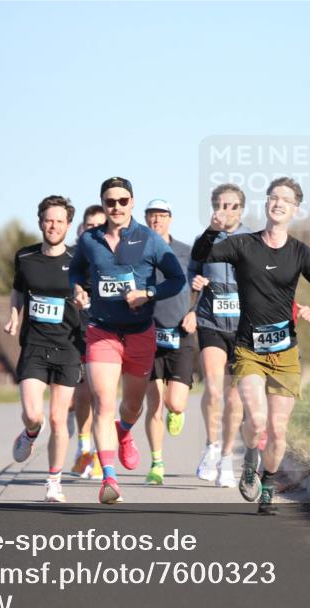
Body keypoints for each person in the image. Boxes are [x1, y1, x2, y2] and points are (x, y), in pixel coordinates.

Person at [191, 177, 310, 514]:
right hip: (249, 350)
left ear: (295, 209)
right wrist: (212, 230)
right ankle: (249, 461)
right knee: (257, 420)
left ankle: (268, 484)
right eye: (274, 197)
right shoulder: (244, 244)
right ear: (267, 204)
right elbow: (202, 255)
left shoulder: (300, 252)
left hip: (285, 354)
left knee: (277, 430)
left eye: (285, 200)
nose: (278, 203)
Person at [69, 177, 186, 504]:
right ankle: (109, 478)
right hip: (102, 331)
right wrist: (77, 289)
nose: (116, 207)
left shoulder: (149, 239)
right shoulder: (90, 240)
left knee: (132, 406)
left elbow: (177, 279)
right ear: (103, 203)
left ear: (132, 202)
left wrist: (148, 293)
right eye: (110, 201)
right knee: (103, 402)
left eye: (123, 201)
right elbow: (75, 271)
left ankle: (123, 431)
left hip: (139, 333)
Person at [6, 195, 83, 503]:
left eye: (59, 221)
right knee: (33, 414)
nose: (53, 226)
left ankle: (54, 481)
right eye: (49, 220)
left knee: (57, 419)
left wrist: (85, 300)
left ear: (68, 225)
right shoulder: (25, 257)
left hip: (68, 347)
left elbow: (89, 295)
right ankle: (30, 433)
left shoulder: (79, 260)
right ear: (40, 222)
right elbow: (17, 291)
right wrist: (15, 315)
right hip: (34, 345)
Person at [189, 184, 253, 487]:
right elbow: (191, 271)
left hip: (244, 327)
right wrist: (195, 281)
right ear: (213, 208)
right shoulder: (205, 240)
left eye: (233, 206)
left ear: (241, 209)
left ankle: (227, 457)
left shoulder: (254, 240)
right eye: (221, 205)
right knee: (214, 390)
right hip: (211, 321)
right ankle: (212, 446)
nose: (226, 211)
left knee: (234, 397)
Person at [141, 199, 197, 485]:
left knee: (174, 403)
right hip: (148, 334)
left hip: (180, 333)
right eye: (152, 215)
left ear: (170, 219)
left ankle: (178, 410)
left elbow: (204, 286)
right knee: (154, 405)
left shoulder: (186, 252)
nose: (157, 220)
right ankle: (157, 463)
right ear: (145, 219)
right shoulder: (137, 252)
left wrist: (194, 312)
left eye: (162, 215)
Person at [70, 204, 108, 480]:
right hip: (76, 333)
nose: (93, 230)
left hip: (106, 332)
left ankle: (96, 452)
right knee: (84, 393)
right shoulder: (72, 257)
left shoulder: (113, 256)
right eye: (89, 225)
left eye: (99, 226)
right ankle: (83, 449)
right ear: (81, 228)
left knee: (102, 396)